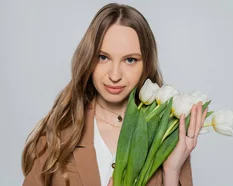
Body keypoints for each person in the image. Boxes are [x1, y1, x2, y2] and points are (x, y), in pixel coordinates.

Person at [21, 3, 207, 186]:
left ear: (146, 65)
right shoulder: (59, 132)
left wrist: (171, 172)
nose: (115, 75)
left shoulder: (166, 134)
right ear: (88, 58)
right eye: (103, 57)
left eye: (130, 60)